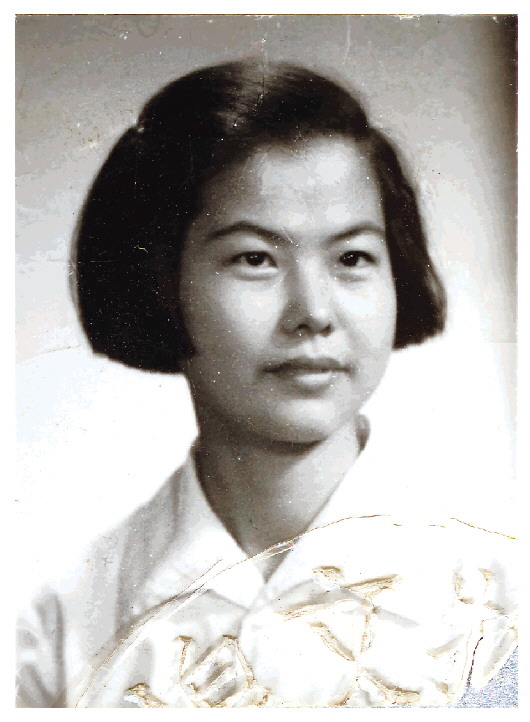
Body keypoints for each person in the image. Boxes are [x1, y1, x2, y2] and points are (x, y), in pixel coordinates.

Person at [17, 60, 517, 708]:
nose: (314, 311)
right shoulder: (59, 630)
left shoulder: (503, 594)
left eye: (353, 258)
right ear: (159, 282)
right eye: (255, 258)